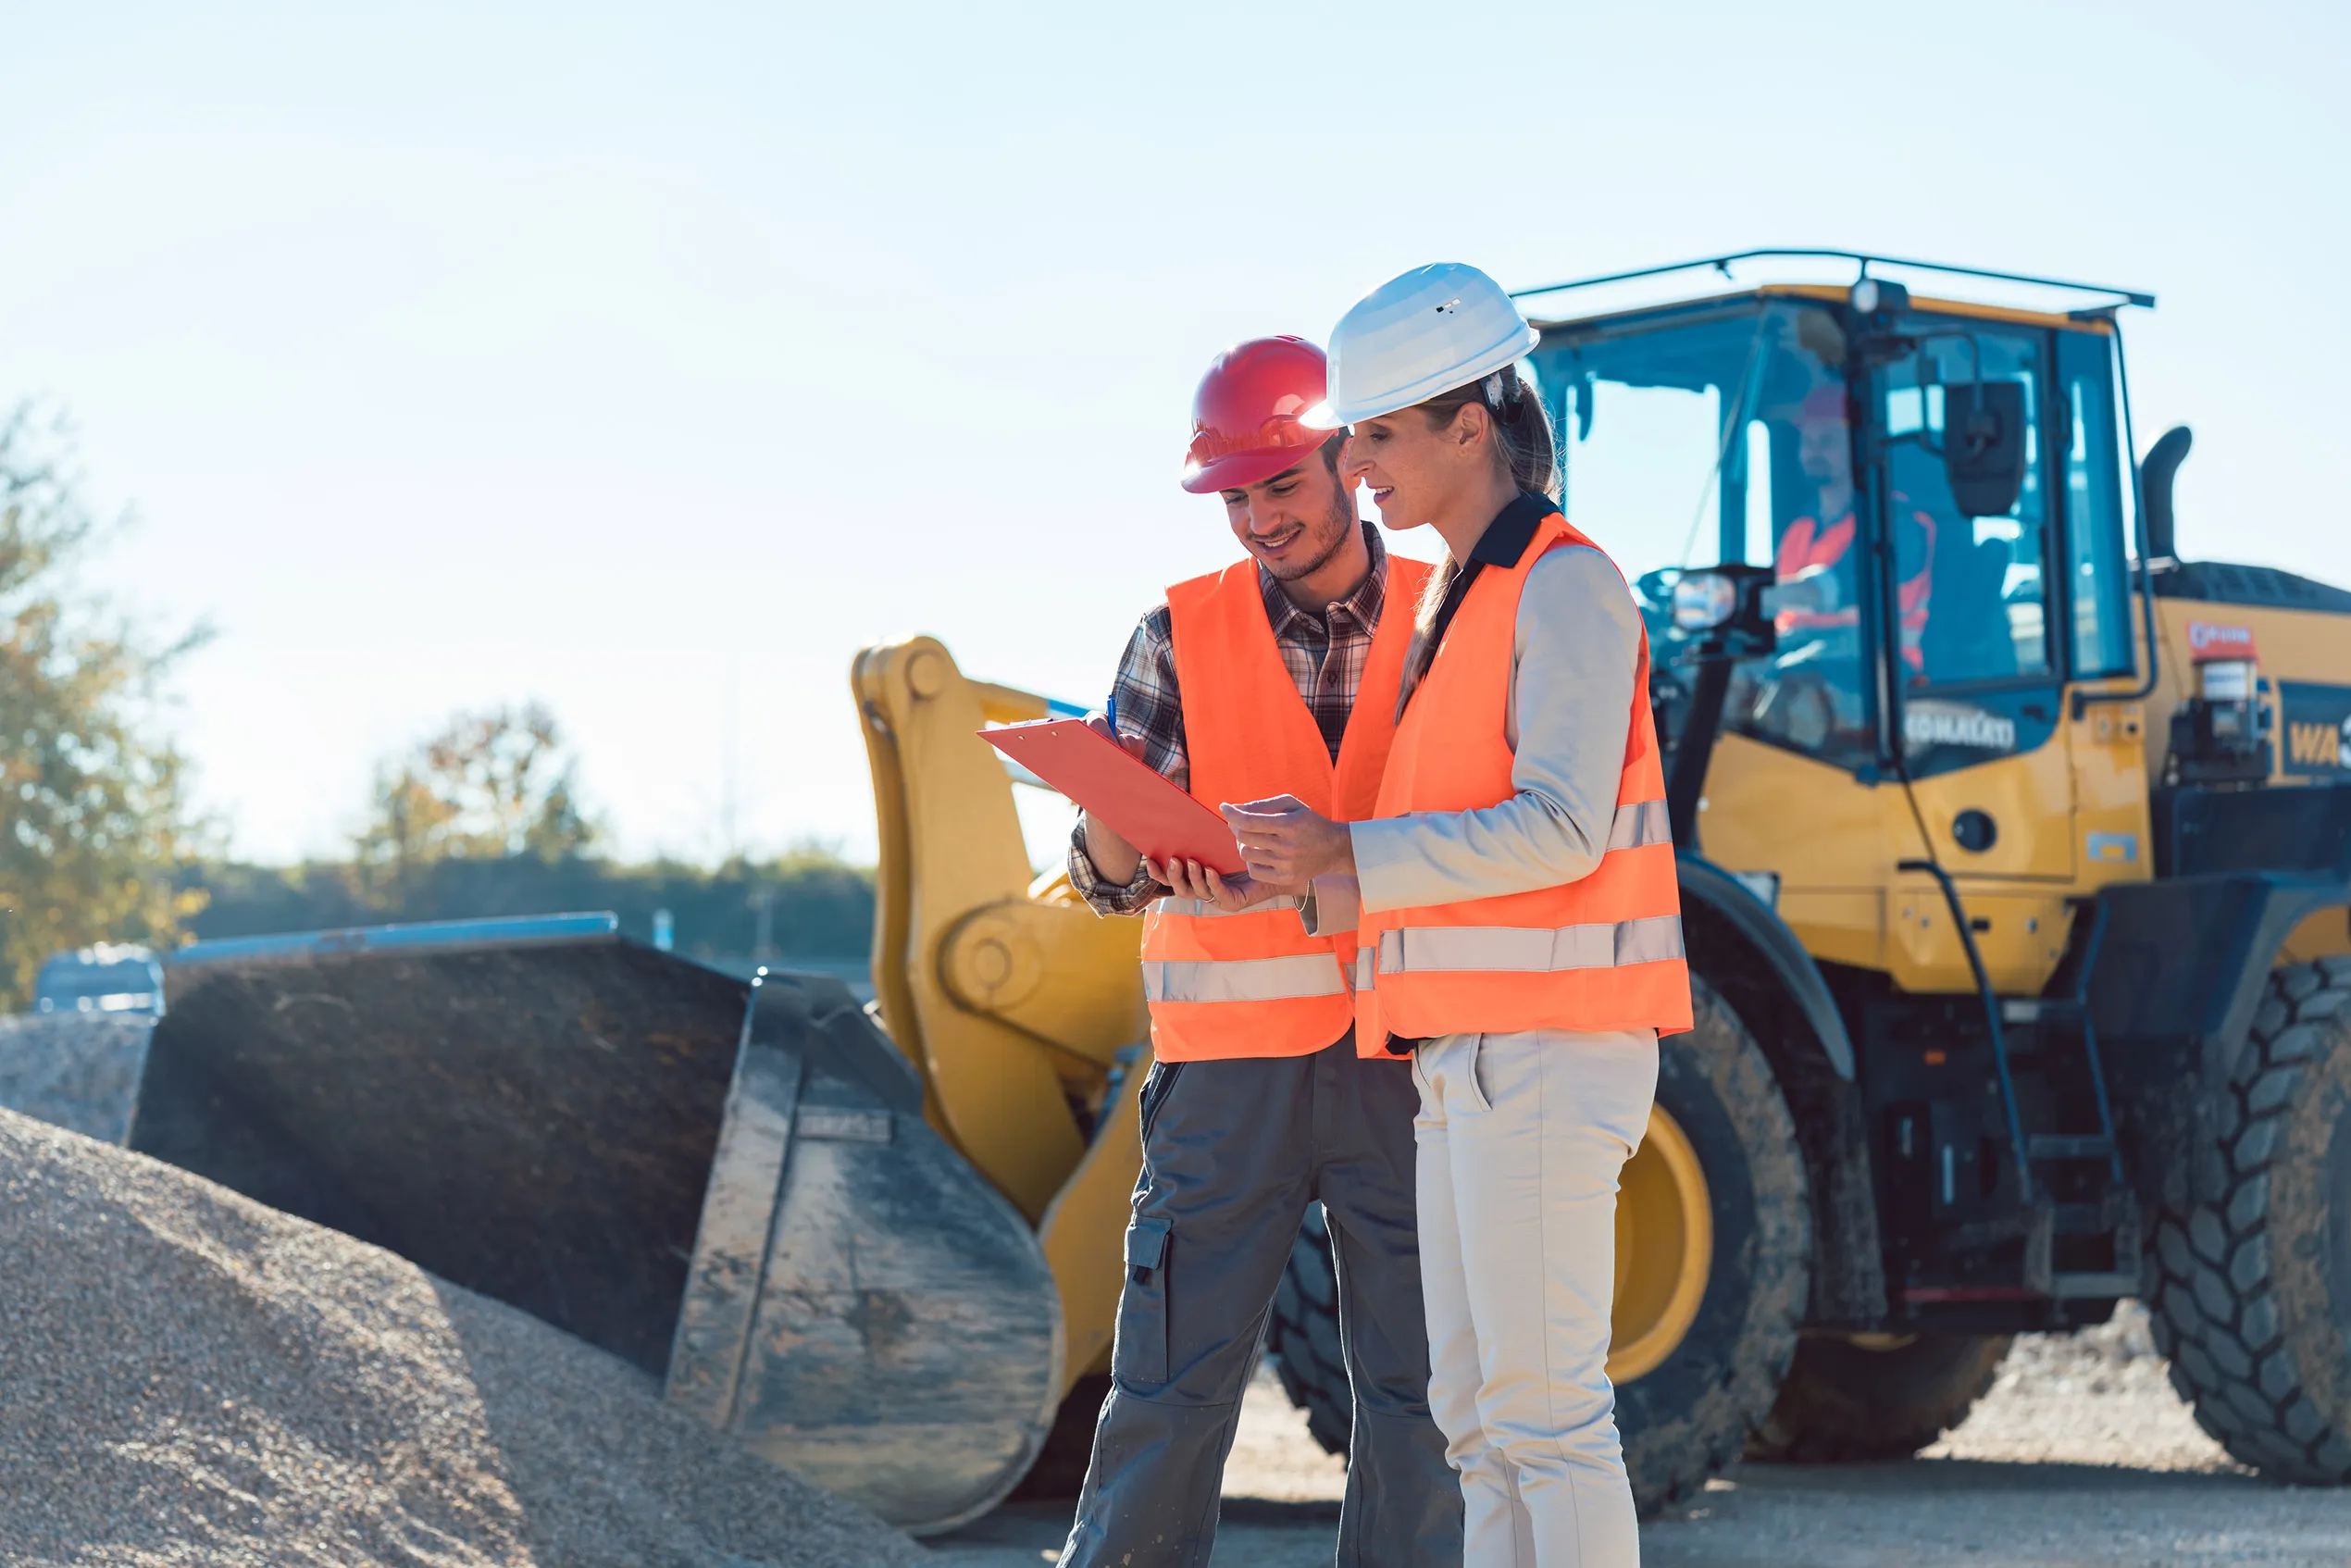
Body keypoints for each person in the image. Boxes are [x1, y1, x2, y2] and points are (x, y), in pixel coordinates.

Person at [1222, 266, 1695, 1568]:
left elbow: (1557, 825)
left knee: (1546, 1419)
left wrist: (1354, 851)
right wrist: (1297, 868)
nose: (1351, 462)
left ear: (1470, 423)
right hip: (1465, 1059)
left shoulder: (1567, 587)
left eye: (1377, 433)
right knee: (1477, 1423)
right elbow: (1430, 848)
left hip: (1547, 1047)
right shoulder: (1456, 599)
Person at [1056, 335, 1461, 1568]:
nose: (1257, 519)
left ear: (1349, 458)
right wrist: (1131, 840)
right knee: (1169, 1389)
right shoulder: (1175, 633)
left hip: (1412, 1055)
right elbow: (1097, 878)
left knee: (1421, 1397)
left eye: (1279, 485)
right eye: (1235, 496)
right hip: (1228, 1078)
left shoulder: (1457, 620)